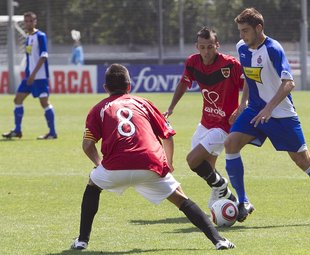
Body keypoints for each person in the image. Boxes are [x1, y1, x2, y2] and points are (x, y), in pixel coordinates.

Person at [70, 63, 235, 251]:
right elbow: (168, 135)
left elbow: (87, 145)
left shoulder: (98, 109)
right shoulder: (143, 102)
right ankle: (219, 240)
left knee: (93, 185)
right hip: (150, 164)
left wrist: (99, 165)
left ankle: (82, 241)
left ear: (105, 88)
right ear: (129, 86)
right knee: (181, 199)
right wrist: (169, 163)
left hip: (114, 167)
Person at [224, 7, 310, 224]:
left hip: (281, 114)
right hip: (255, 110)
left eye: (246, 31)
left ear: (259, 28)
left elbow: (289, 83)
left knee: (302, 160)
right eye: (240, 31)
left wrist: (269, 108)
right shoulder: (242, 47)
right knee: (230, 143)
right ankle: (243, 201)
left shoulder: (274, 49)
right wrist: (243, 105)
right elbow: (250, 79)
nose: (242, 36)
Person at [164, 27, 247, 213]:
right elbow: (184, 83)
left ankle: (223, 189)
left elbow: (249, 85)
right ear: (197, 47)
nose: (207, 51)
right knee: (207, 167)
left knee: (193, 160)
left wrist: (241, 107)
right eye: (202, 47)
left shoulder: (230, 65)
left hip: (224, 125)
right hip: (205, 122)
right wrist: (171, 107)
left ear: (217, 45)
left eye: (210, 47)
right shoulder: (193, 62)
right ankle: (224, 195)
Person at [2, 11, 57, 140]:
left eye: (30, 21)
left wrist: (33, 74)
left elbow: (43, 56)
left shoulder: (40, 36)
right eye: (26, 21)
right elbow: (29, 57)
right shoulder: (28, 38)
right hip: (29, 77)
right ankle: (17, 130)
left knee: (44, 103)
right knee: (17, 99)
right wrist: (28, 74)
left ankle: (52, 132)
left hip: (39, 77)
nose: (28, 23)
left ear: (35, 21)